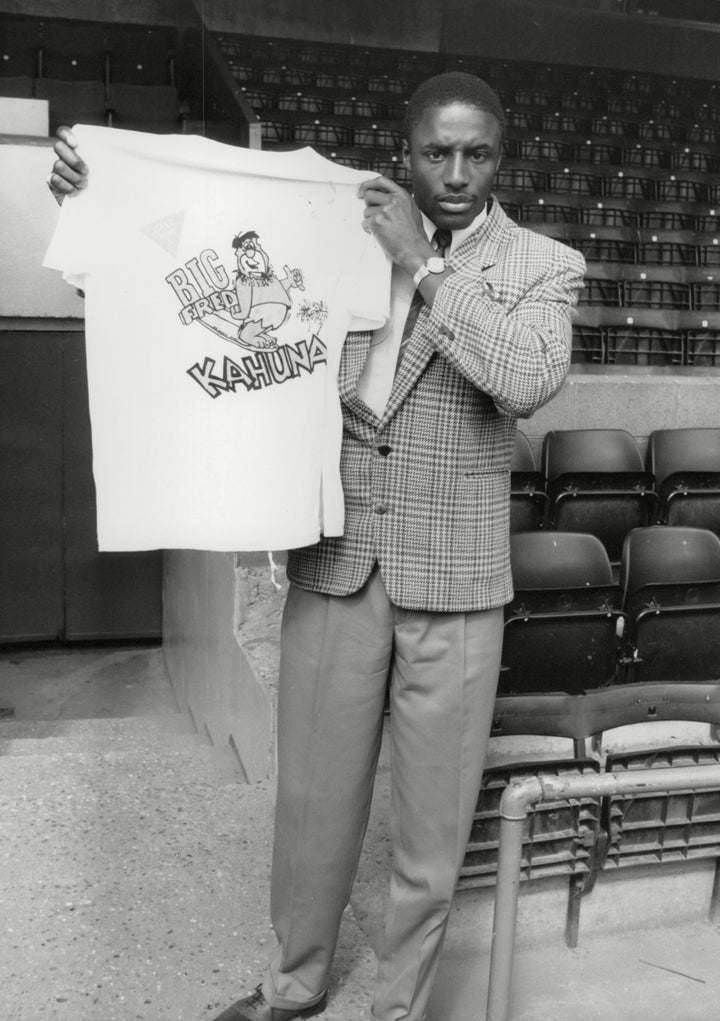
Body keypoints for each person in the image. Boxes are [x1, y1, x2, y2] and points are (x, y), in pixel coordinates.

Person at [48, 71, 585, 1021]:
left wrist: (430, 265)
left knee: (429, 831)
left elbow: (528, 377)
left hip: (454, 584)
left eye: (477, 154)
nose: (455, 172)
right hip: (338, 563)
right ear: (405, 147)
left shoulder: (544, 263)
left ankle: (397, 1007)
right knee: (312, 808)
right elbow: (194, 281)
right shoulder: (333, 230)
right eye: (435, 152)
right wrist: (100, 200)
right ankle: (292, 985)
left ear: (501, 157)